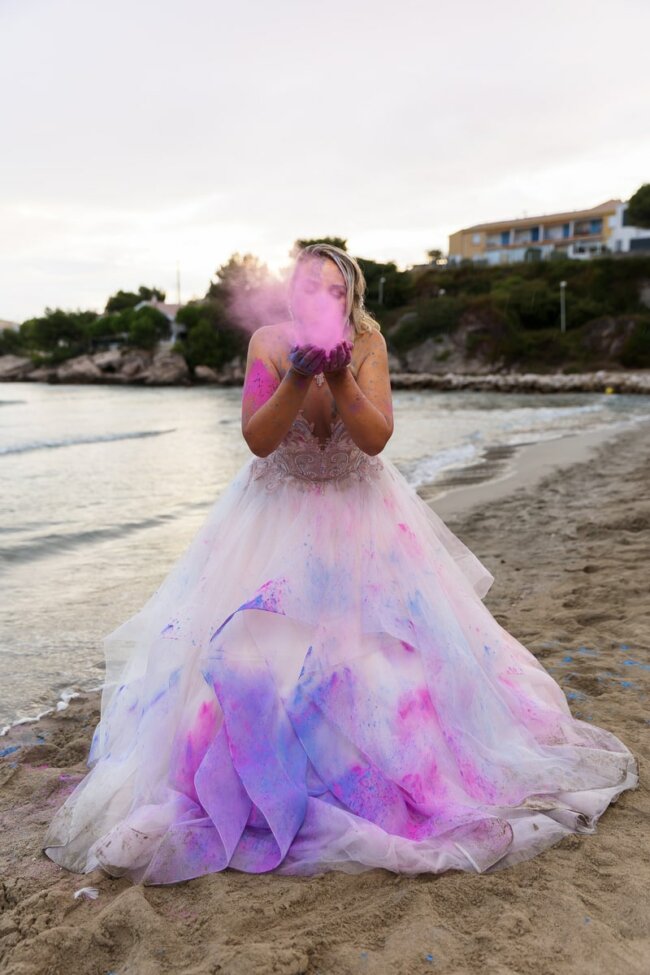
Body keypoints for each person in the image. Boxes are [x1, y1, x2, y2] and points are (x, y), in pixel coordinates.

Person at [42, 244, 638, 886]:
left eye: (335, 289)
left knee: (381, 667)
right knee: (244, 667)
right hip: (274, 523)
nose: (322, 298)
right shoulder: (269, 342)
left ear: (351, 296)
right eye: (310, 287)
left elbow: (375, 438)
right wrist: (298, 376)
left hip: (363, 524)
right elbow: (259, 440)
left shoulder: (369, 343)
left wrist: (342, 375)